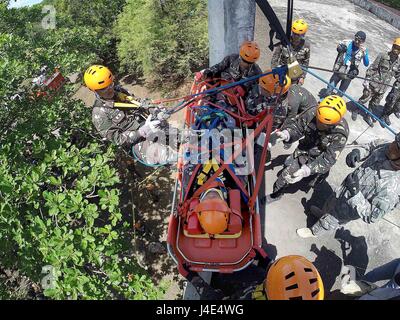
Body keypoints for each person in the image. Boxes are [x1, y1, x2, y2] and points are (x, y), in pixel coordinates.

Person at [297, 133, 400, 238]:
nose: (391, 146)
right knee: (331, 201)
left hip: (351, 207)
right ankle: (323, 214)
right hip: (345, 187)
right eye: (395, 142)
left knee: (332, 220)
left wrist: (355, 194)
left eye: (397, 149)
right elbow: (371, 146)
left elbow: (371, 215)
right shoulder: (387, 146)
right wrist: (358, 152)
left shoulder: (392, 188)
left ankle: (314, 231)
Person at [263, 95, 348, 204]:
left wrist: (306, 171)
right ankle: (276, 194)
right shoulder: (313, 112)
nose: (319, 124)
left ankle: (315, 177)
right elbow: (298, 127)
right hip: (304, 150)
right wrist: (286, 134)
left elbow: (328, 159)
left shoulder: (340, 134)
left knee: (312, 180)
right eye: (318, 120)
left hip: (319, 158)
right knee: (286, 174)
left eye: (324, 124)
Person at [84, 65, 175, 163]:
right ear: (94, 90)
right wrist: (140, 132)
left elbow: (140, 103)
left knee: (178, 135)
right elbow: (118, 139)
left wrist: (156, 111)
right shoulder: (99, 114)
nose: (110, 89)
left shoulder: (119, 91)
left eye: (111, 84)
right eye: (103, 88)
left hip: (146, 125)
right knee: (166, 155)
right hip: (135, 141)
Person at [358, 38, 400, 127]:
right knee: (364, 99)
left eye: (398, 48)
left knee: (374, 104)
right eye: (395, 47)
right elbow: (373, 67)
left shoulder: (398, 62)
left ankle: (367, 116)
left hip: (382, 89)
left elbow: (397, 75)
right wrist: (367, 79)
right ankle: (355, 110)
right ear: (392, 46)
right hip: (373, 84)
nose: (396, 49)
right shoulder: (383, 55)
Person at [323, 31, 369, 102]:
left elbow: (366, 64)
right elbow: (338, 48)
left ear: (363, 41)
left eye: (359, 41)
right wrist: (339, 48)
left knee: (341, 93)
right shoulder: (346, 42)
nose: (356, 41)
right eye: (356, 39)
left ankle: (334, 105)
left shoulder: (364, 50)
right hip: (339, 69)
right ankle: (325, 101)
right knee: (330, 87)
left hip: (349, 74)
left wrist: (365, 54)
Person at [271, 19, 310, 85]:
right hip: (282, 74)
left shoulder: (306, 46)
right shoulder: (284, 42)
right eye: (294, 34)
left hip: (295, 76)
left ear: (303, 34)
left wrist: (302, 77)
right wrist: (274, 71)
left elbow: (306, 62)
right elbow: (275, 58)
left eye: (299, 35)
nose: (296, 37)